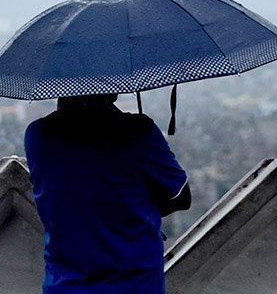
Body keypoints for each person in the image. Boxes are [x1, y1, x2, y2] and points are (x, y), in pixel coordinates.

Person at [24, 93, 191, 294]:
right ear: (110, 92)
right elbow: (182, 196)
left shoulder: (38, 134)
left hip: (65, 286)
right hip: (135, 284)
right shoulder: (137, 132)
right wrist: (138, 208)